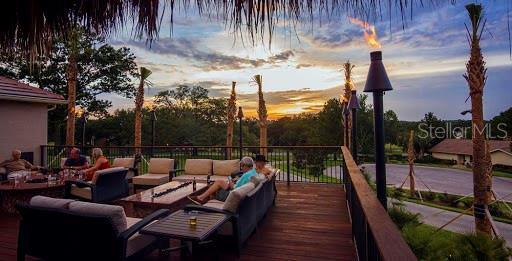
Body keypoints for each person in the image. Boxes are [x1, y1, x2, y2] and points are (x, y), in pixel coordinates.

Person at [188, 156, 257, 205]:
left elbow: (234, 188)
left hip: (232, 196)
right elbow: (241, 184)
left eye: (242, 166)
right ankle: (205, 199)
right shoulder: (253, 172)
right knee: (219, 182)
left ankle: (202, 198)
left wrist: (230, 180)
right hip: (240, 194)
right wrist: (237, 179)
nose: (241, 168)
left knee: (218, 184)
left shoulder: (246, 175)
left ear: (246, 165)